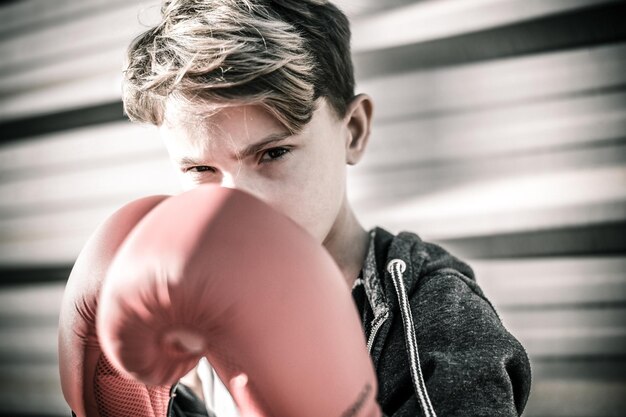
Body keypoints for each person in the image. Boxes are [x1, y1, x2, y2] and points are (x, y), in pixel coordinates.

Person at [121, 0, 532, 416]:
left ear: (352, 132)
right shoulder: (179, 309)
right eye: (201, 168)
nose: (238, 206)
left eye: (274, 152)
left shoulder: (437, 322)